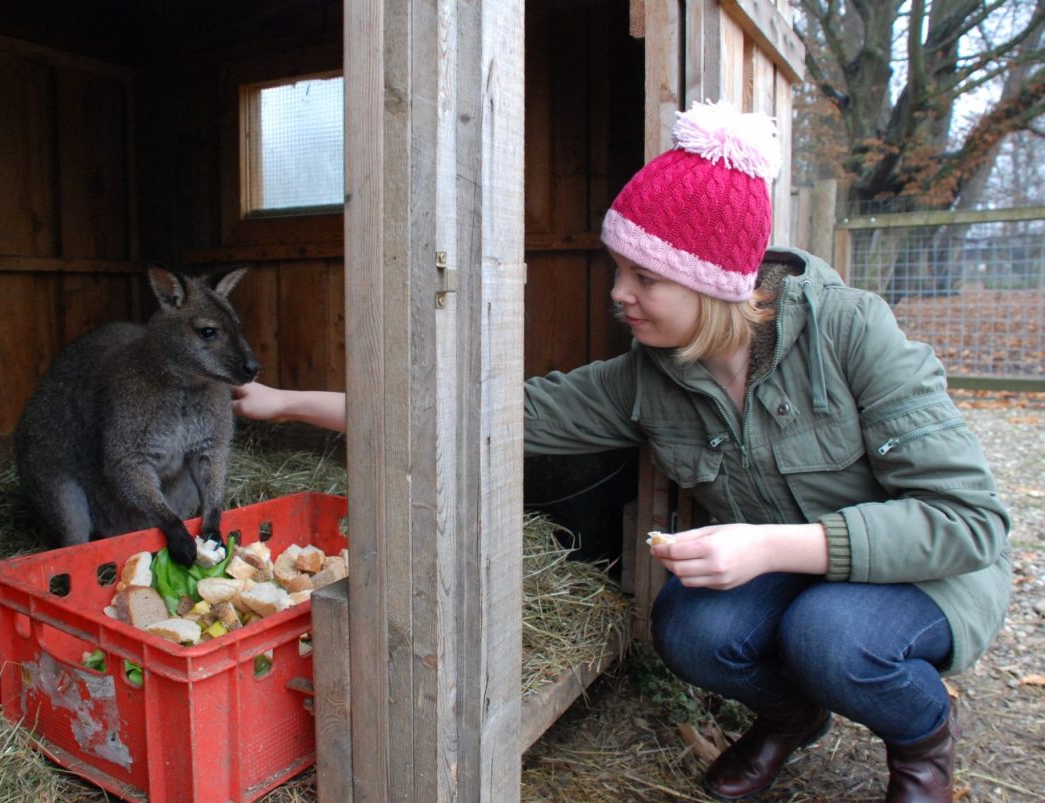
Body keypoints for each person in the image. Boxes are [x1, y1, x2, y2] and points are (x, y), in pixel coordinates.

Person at [232, 100, 1012, 803]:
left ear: (711, 286)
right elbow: (476, 417)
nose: (618, 292)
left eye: (644, 276)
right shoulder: (649, 379)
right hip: (794, 574)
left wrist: (771, 543)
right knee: (689, 629)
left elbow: (971, 522)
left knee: (830, 635)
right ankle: (790, 714)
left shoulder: (851, 334)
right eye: (620, 268)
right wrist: (288, 403)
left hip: (919, 578)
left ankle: (920, 744)